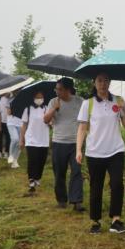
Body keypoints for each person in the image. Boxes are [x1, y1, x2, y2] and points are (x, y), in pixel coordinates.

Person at [76, 73, 125, 234]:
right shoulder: (88, 104)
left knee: (117, 184)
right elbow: (82, 128)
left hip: (116, 150)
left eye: (106, 80)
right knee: (96, 187)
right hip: (95, 152)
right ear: (94, 83)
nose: (103, 84)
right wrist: (79, 149)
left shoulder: (119, 101)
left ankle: (116, 219)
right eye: (99, 80)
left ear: (110, 82)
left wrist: (124, 112)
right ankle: (95, 221)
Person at [44, 78, 85, 211]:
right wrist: (54, 109)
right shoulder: (53, 102)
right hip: (58, 142)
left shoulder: (79, 101)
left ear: (68, 90)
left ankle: (76, 201)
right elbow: (45, 120)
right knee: (59, 173)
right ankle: (61, 199)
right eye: (56, 89)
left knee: (76, 171)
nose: (57, 91)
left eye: (60, 89)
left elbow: (86, 119)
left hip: (75, 143)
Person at [21, 91, 50, 194]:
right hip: (31, 139)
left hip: (43, 139)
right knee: (32, 160)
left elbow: (51, 123)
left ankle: (38, 177)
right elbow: (24, 125)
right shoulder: (28, 109)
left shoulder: (47, 109)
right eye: (37, 97)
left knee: (41, 160)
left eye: (41, 97)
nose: (39, 99)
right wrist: (22, 139)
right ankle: (31, 180)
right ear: (33, 98)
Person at [6, 91, 23, 169]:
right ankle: (11, 155)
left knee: (20, 142)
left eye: (18, 90)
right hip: (11, 123)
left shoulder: (24, 99)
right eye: (16, 90)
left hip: (21, 123)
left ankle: (15, 160)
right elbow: (9, 112)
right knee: (15, 139)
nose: (17, 92)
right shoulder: (9, 100)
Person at [0, 94, 11, 160]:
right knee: (0, 137)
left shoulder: (10, 99)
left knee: (8, 138)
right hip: (0, 121)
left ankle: (6, 152)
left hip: (8, 122)